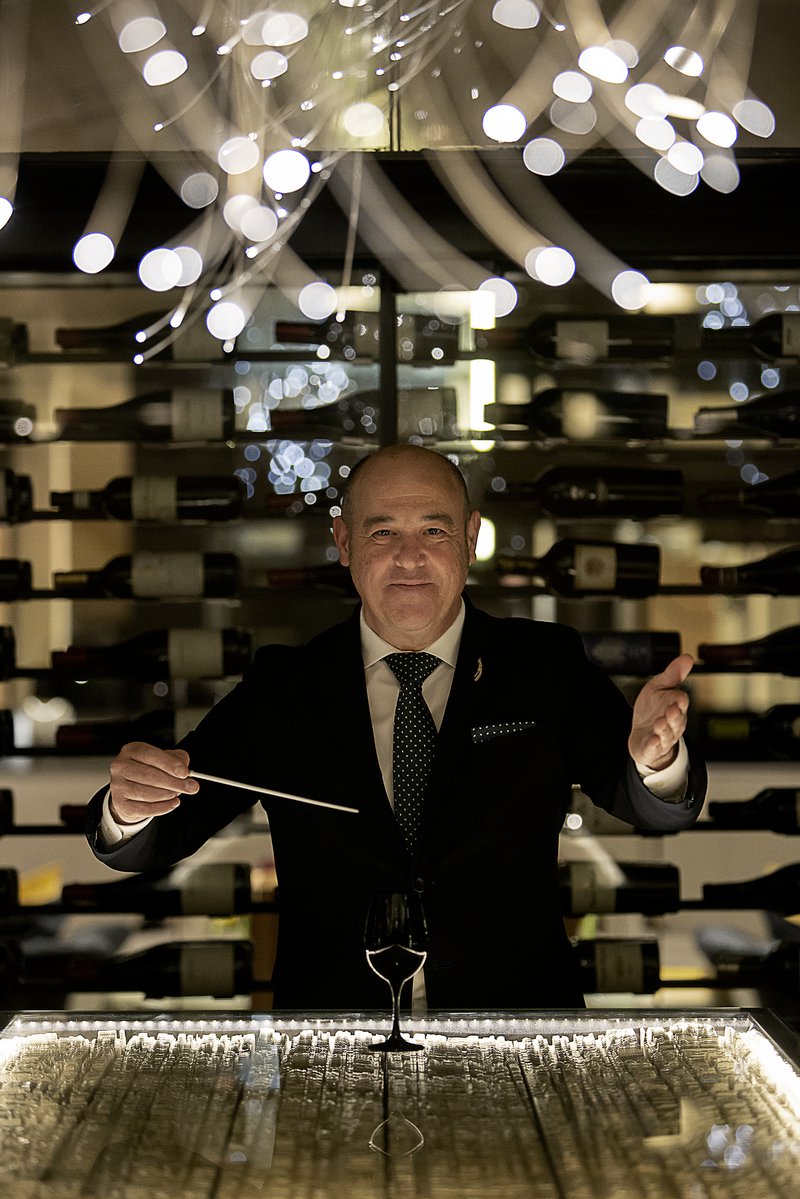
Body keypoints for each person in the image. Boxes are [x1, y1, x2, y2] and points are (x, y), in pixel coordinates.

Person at [86, 443, 706, 1010]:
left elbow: (651, 807)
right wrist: (131, 805)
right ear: (345, 542)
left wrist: (655, 761)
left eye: (433, 530)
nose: (410, 556)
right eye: (383, 532)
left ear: (470, 536)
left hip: (516, 1037)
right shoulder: (285, 686)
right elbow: (161, 832)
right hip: (329, 1050)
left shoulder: (543, 665)